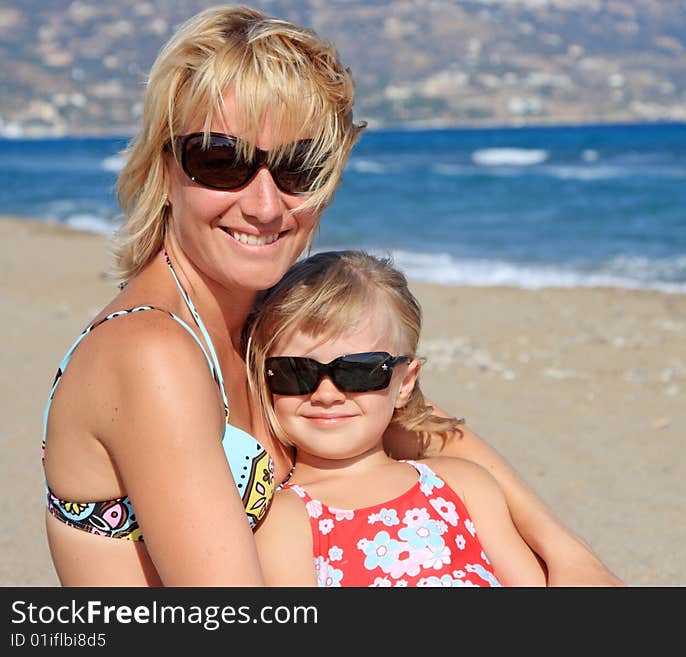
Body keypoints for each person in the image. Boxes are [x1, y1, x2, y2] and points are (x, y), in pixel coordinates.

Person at [41, 4, 621, 586]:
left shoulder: (260, 317)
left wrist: (570, 557)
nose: (265, 205)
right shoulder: (152, 352)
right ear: (165, 168)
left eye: (299, 166)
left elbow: (419, 421)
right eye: (221, 161)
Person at [246, 251, 548, 586]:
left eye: (358, 370)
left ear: (404, 382)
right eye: (296, 372)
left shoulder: (462, 485)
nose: (326, 394)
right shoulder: (285, 519)